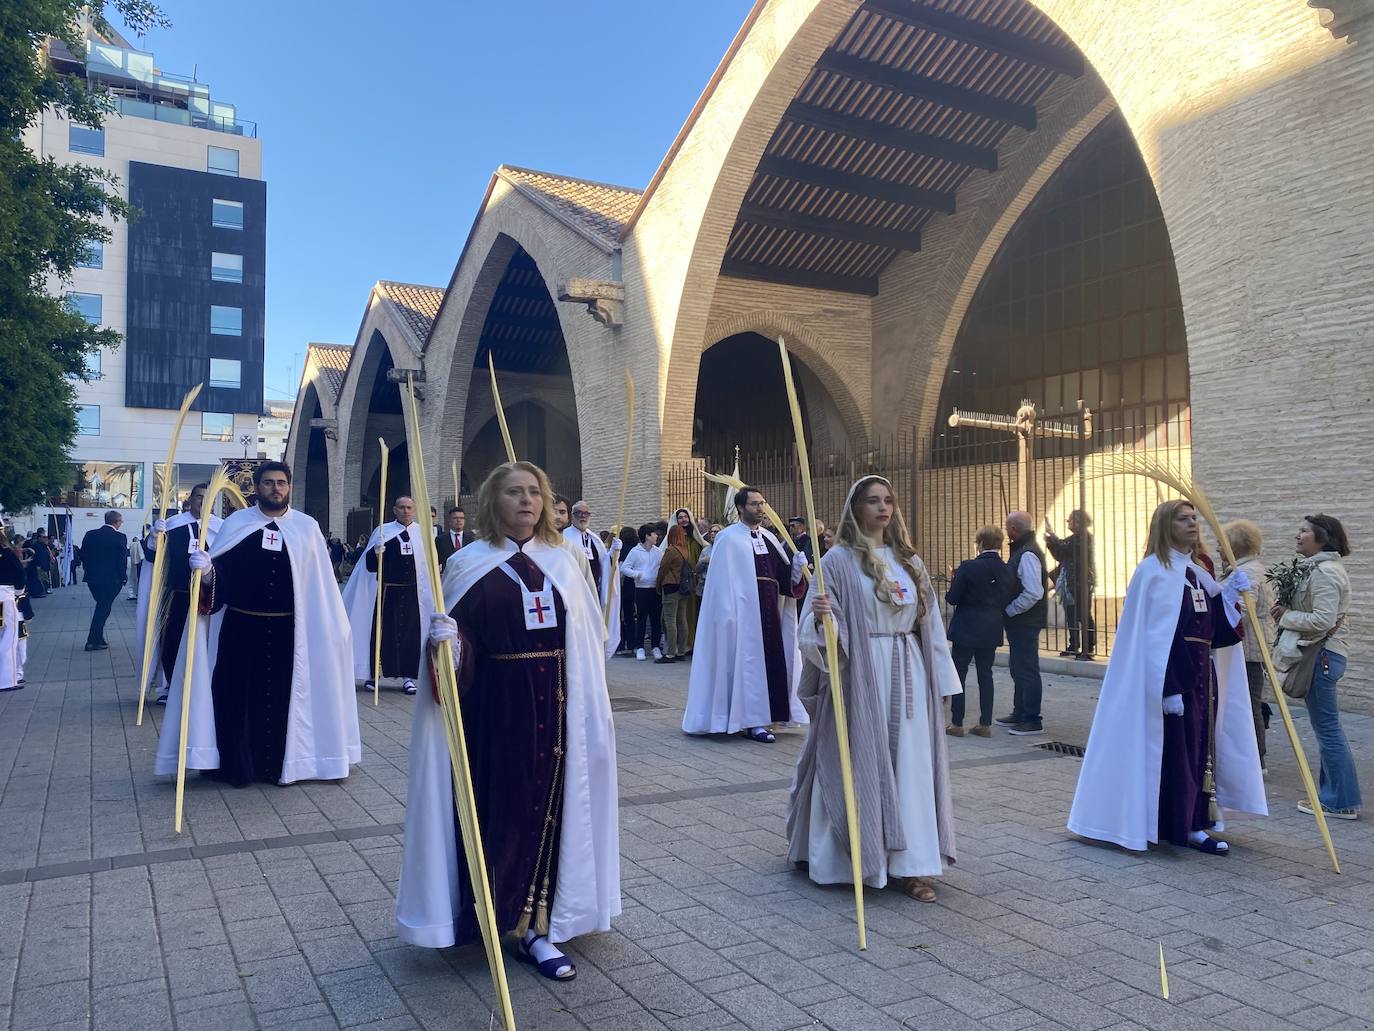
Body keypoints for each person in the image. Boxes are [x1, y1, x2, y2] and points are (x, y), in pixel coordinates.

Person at [397, 461, 619, 982]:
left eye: (535, 493)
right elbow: (460, 650)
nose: (527, 502)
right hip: (496, 716)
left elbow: (587, 640)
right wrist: (449, 645)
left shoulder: (566, 560)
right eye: (514, 493)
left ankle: (539, 926)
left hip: (562, 712)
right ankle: (497, 917)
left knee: (555, 812)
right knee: (504, 811)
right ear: (491, 503)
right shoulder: (468, 563)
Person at [788, 476, 960, 900]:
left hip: (909, 673)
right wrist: (823, 618)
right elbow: (813, 636)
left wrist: (943, 679)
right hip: (861, 675)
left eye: (888, 500)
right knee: (860, 759)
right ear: (856, 508)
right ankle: (856, 860)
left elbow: (931, 625)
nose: (883, 508)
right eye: (872, 501)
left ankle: (913, 865)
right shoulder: (837, 563)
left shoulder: (910, 562)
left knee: (913, 767)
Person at [1069, 500, 1265, 855]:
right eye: (1183, 519)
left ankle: (1196, 822)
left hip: (1203, 678)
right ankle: (1177, 824)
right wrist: (1169, 685)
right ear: (1165, 526)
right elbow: (1155, 639)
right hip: (1173, 679)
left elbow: (1216, 633)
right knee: (1176, 752)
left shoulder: (1197, 573)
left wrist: (1229, 598)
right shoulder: (1152, 572)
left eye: (1194, 518)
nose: (1192, 524)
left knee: (1199, 751)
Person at [155, 461, 360, 787]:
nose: (275, 488)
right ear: (257, 487)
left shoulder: (306, 528)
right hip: (241, 630)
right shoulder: (238, 523)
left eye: (281, 482)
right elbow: (222, 582)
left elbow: (320, 588)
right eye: (268, 483)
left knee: (284, 698)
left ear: (289, 487)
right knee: (235, 697)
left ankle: (283, 764)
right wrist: (208, 572)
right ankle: (235, 766)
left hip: (289, 634)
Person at [683, 486, 809, 743]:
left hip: (769, 613)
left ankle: (767, 717)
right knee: (746, 665)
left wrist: (796, 568)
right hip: (742, 616)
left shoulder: (770, 538)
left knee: (768, 664)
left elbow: (783, 579)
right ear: (740, 508)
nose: (760, 509)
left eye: (762, 503)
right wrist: (728, 615)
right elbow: (721, 585)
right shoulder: (729, 539)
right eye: (754, 504)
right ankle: (748, 720)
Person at [1272, 514, 1359, 820]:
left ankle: (1340, 802)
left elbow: (1323, 619)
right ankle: (1335, 796)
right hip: (1325, 655)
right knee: (1327, 729)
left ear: (1322, 537)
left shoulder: (1324, 572)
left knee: (1328, 730)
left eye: (1304, 531)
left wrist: (1285, 616)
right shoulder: (1318, 568)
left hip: (1322, 656)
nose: (1297, 535)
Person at [138, 484, 222, 704]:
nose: (203, 502)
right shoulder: (174, 526)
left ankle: (204, 686)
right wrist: (155, 538)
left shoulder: (222, 529)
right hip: (177, 595)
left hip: (208, 596)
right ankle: (171, 687)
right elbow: (152, 559)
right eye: (199, 497)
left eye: (208, 498)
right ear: (190, 500)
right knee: (172, 640)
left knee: (205, 643)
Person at [342, 495, 432, 696]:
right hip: (387, 593)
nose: (406, 511)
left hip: (412, 593)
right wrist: (375, 552)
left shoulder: (421, 533)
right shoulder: (383, 532)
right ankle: (374, 675)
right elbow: (370, 568)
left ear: (414, 510)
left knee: (411, 634)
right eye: (401, 507)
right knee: (381, 633)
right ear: (394, 510)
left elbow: (428, 566)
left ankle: (408, 676)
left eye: (409, 507)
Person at [945, 527, 1013, 737]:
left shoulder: (968, 566)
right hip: (991, 627)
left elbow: (952, 598)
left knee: (959, 674)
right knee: (986, 674)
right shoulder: (1006, 569)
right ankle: (985, 724)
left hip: (966, 626)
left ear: (981, 543)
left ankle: (957, 723)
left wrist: (955, 580)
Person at [1221, 520, 1275, 773]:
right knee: (1247, 703)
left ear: (1235, 546)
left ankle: (1257, 760)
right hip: (1247, 648)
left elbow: (1243, 608)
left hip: (1248, 650)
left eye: (1223, 544)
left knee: (1248, 704)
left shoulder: (1248, 572)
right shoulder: (1244, 569)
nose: (1219, 549)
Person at [997, 511, 1048, 735]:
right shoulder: (1022, 550)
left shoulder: (1027, 553)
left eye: (1007, 528)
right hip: (1021, 622)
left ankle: (1031, 718)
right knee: (1018, 667)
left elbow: (1034, 592)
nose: (1006, 532)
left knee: (1026, 669)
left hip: (1025, 621)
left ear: (1014, 529)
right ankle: (1020, 712)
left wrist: (1010, 610)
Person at [564, 501, 621, 659]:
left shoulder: (594, 539)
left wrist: (613, 554)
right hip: (574, 596)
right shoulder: (565, 538)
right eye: (579, 513)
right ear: (572, 516)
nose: (583, 517)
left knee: (593, 634)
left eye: (586, 513)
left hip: (594, 595)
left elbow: (605, 567)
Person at [1046, 510, 1096, 659]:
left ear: (1079, 522)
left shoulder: (1085, 538)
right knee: (1071, 615)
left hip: (1081, 582)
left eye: (1070, 520)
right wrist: (1051, 542)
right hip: (1069, 582)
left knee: (1083, 615)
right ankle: (1074, 645)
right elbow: (1060, 554)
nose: (1068, 523)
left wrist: (1052, 537)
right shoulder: (1073, 538)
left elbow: (1065, 547)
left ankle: (1088, 647)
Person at [661, 508, 707, 651]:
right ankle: (679, 646)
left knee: (690, 613)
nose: (683, 520)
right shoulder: (672, 543)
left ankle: (690, 643)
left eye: (685, 517)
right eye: (680, 517)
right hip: (677, 582)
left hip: (692, 581)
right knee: (676, 616)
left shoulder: (696, 539)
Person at [81, 512, 127, 651]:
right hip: (112, 580)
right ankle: (92, 640)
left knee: (102, 606)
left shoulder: (90, 534)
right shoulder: (120, 537)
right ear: (117, 522)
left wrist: (88, 569)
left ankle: (98, 638)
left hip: (93, 578)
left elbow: (83, 554)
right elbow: (122, 559)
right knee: (103, 608)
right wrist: (123, 576)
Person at [619, 525, 662, 660]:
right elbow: (624, 568)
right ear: (647, 536)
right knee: (642, 618)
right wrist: (638, 574)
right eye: (654, 534)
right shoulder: (635, 551)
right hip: (641, 589)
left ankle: (655, 646)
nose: (657, 536)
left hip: (655, 589)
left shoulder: (658, 551)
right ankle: (640, 647)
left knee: (656, 619)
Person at [655, 525, 693, 663]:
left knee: (669, 620)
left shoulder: (671, 550)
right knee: (681, 619)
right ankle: (681, 651)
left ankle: (670, 653)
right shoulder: (685, 550)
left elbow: (663, 568)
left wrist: (658, 585)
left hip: (671, 586)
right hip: (683, 588)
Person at [1, 530, 27, 691]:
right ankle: (7, 680)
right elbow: (19, 574)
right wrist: (19, 593)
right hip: (5, 596)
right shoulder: (7, 553)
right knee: (8, 639)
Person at [615, 526, 639, 656]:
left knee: (620, 616)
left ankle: (620, 645)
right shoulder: (636, 550)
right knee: (631, 615)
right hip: (634, 586)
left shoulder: (622, 551)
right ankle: (632, 644)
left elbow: (620, 571)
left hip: (622, 587)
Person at [126, 529, 144, 600]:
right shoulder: (138, 538)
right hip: (139, 561)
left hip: (140, 560)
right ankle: (135, 593)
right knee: (135, 577)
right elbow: (135, 539)